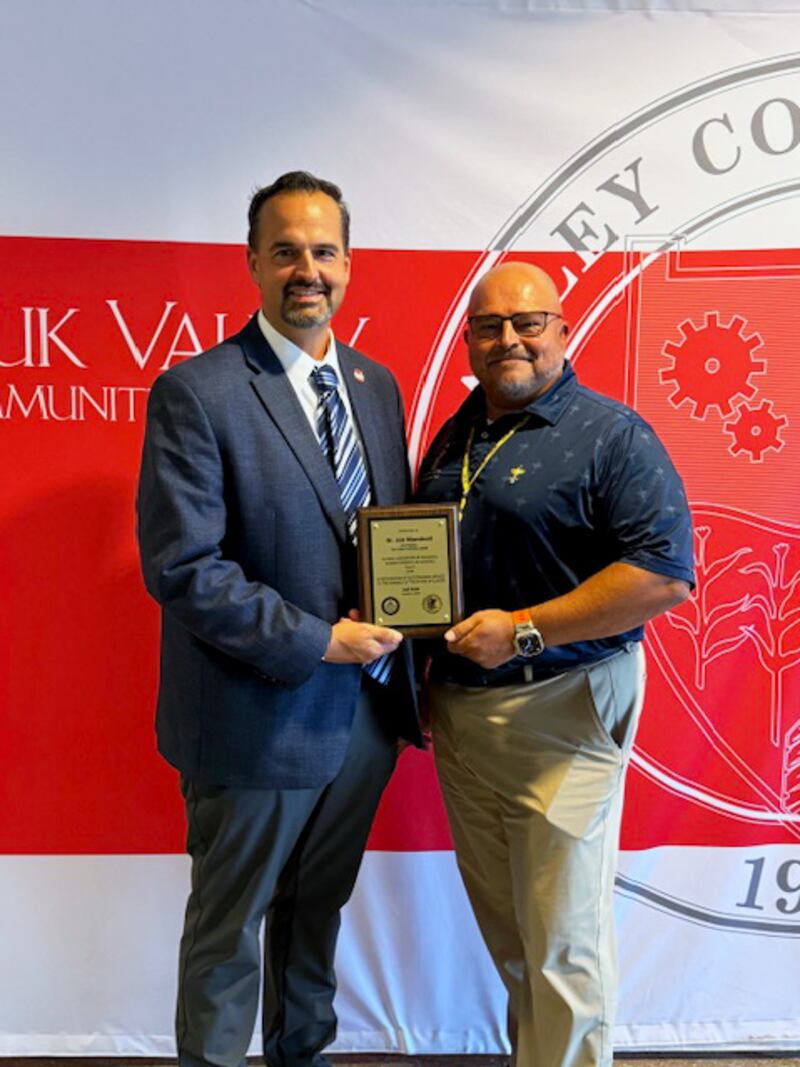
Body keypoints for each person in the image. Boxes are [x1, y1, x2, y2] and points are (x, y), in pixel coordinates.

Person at [137, 171, 422, 1067]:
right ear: (253, 262)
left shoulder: (375, 386)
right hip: (255, 718)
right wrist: (315, 640)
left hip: (364, 717)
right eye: (288, 251)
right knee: (229, 938)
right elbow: (183, 568)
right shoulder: (200, 391)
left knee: (315, 921)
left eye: (325, 250)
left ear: (350, 264)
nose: (309, 269)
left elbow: (388, 533)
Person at [416, 261, 694, 1067]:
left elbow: (662, 573)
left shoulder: (614, 435)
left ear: (563, 332)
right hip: (467, 716)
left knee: (562, 949)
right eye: (491, 326)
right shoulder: (460, 431)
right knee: (513, 941)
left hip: (563, 708)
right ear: (469, 340)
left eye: (528, 322)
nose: (509, 339)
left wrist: (528, 629)